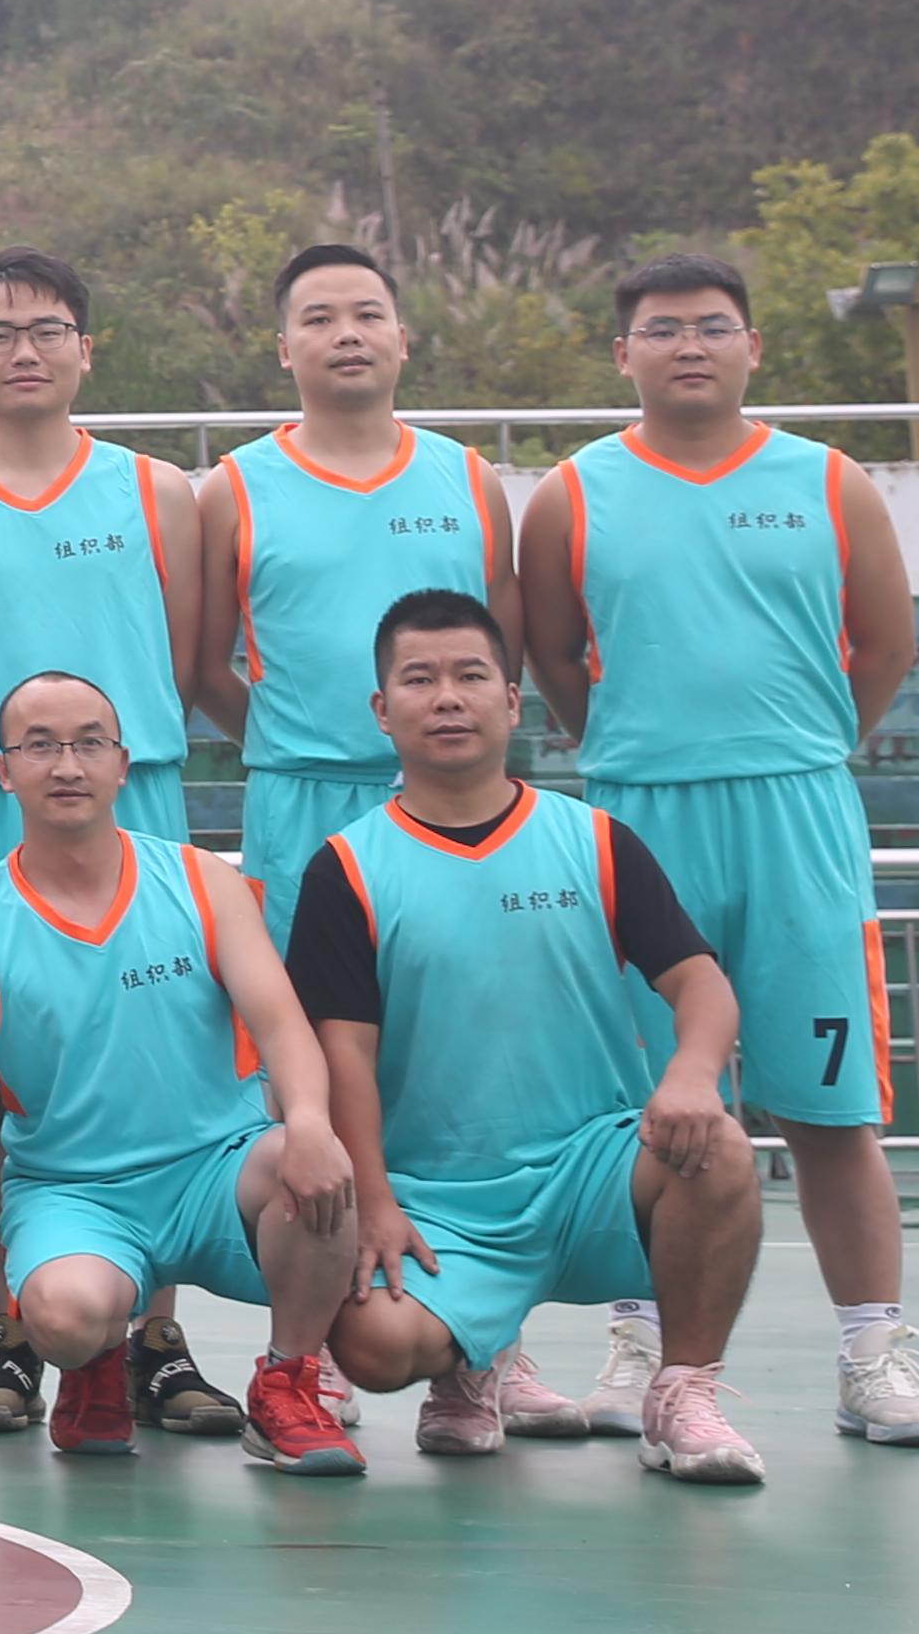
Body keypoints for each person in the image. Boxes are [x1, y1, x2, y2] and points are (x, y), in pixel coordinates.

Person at [516, 252, 919, 1445]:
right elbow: (555, 657)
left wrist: (798, 748)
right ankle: (642, 1350)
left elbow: (886, 647)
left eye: (713, 325)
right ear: (624, 355)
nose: (689, 345)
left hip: (798, 817)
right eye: (662, 328)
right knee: (647, 1112)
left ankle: (874, 1358)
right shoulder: (572, 494)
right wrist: (637, 750)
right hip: (642, 819)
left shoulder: (830, 479)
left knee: (832, 1110)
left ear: (753, 346)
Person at [0, 249, 234, 1446]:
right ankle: (9, 1327)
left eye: (48, 329)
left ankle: (156, 1337)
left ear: (87, 347)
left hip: (136, 797)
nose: (23, 350)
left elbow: (185, 663)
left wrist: (95, 761)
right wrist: (11, 763)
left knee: (166, 1062)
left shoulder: (157, 492)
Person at [300, 591, 769, 1481]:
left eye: (472, 676)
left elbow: (700, 982)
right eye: (420, 679)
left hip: (591, 1172)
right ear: (382, 710)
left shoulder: (594, 839)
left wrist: (692, 1074)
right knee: (376, 1346)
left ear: (513, 702)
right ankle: (474, 1361)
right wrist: (377, 1200)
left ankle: (682, 1393)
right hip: (443, 1200)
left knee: (720, 1153)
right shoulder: (348, 867)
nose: (448, 697)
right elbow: (343, 1055)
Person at [0, 670, 369, 1473]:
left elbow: (283, 1025)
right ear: (3, 771)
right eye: (40, 746)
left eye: (89, 743)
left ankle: (287, 1383)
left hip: (216, 1168)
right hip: (76, 1192)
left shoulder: (203, 884)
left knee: (314, 1165)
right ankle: (96, 1363)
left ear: (122, 763)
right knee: (63, 1315)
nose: (67, 765)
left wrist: (310, 1121)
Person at [195, 243, 518, 935]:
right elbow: (202, 668)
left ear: (401, 338)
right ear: (284, 349)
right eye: (319, 319)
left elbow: (505, 650)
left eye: (368, 315)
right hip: (300, 805)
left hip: (456, 793)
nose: (347, 334)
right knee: (307, 997)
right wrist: (295, 744)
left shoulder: (469, 479)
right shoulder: (234, 489)